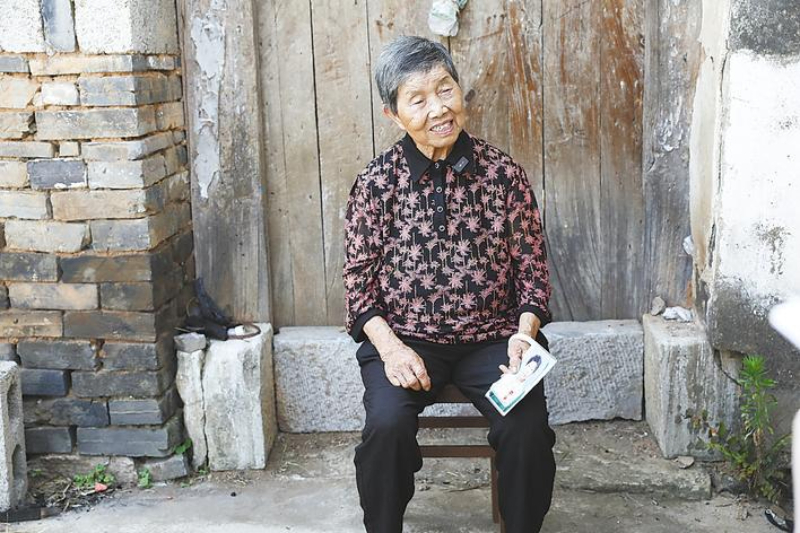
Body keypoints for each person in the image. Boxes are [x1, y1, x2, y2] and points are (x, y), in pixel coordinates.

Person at [343, 35, 556, 533]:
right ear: (393, 114)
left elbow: (533, 271)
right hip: (406, 340)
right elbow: (358, 285)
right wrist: (391, 349)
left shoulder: (503, 174)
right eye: (417, 99)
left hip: (495, 339)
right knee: (386, 429)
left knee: (526, 429)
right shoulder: (376, 182)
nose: (439, 108)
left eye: (445, 89)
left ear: (460, 91)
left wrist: (525, 334)